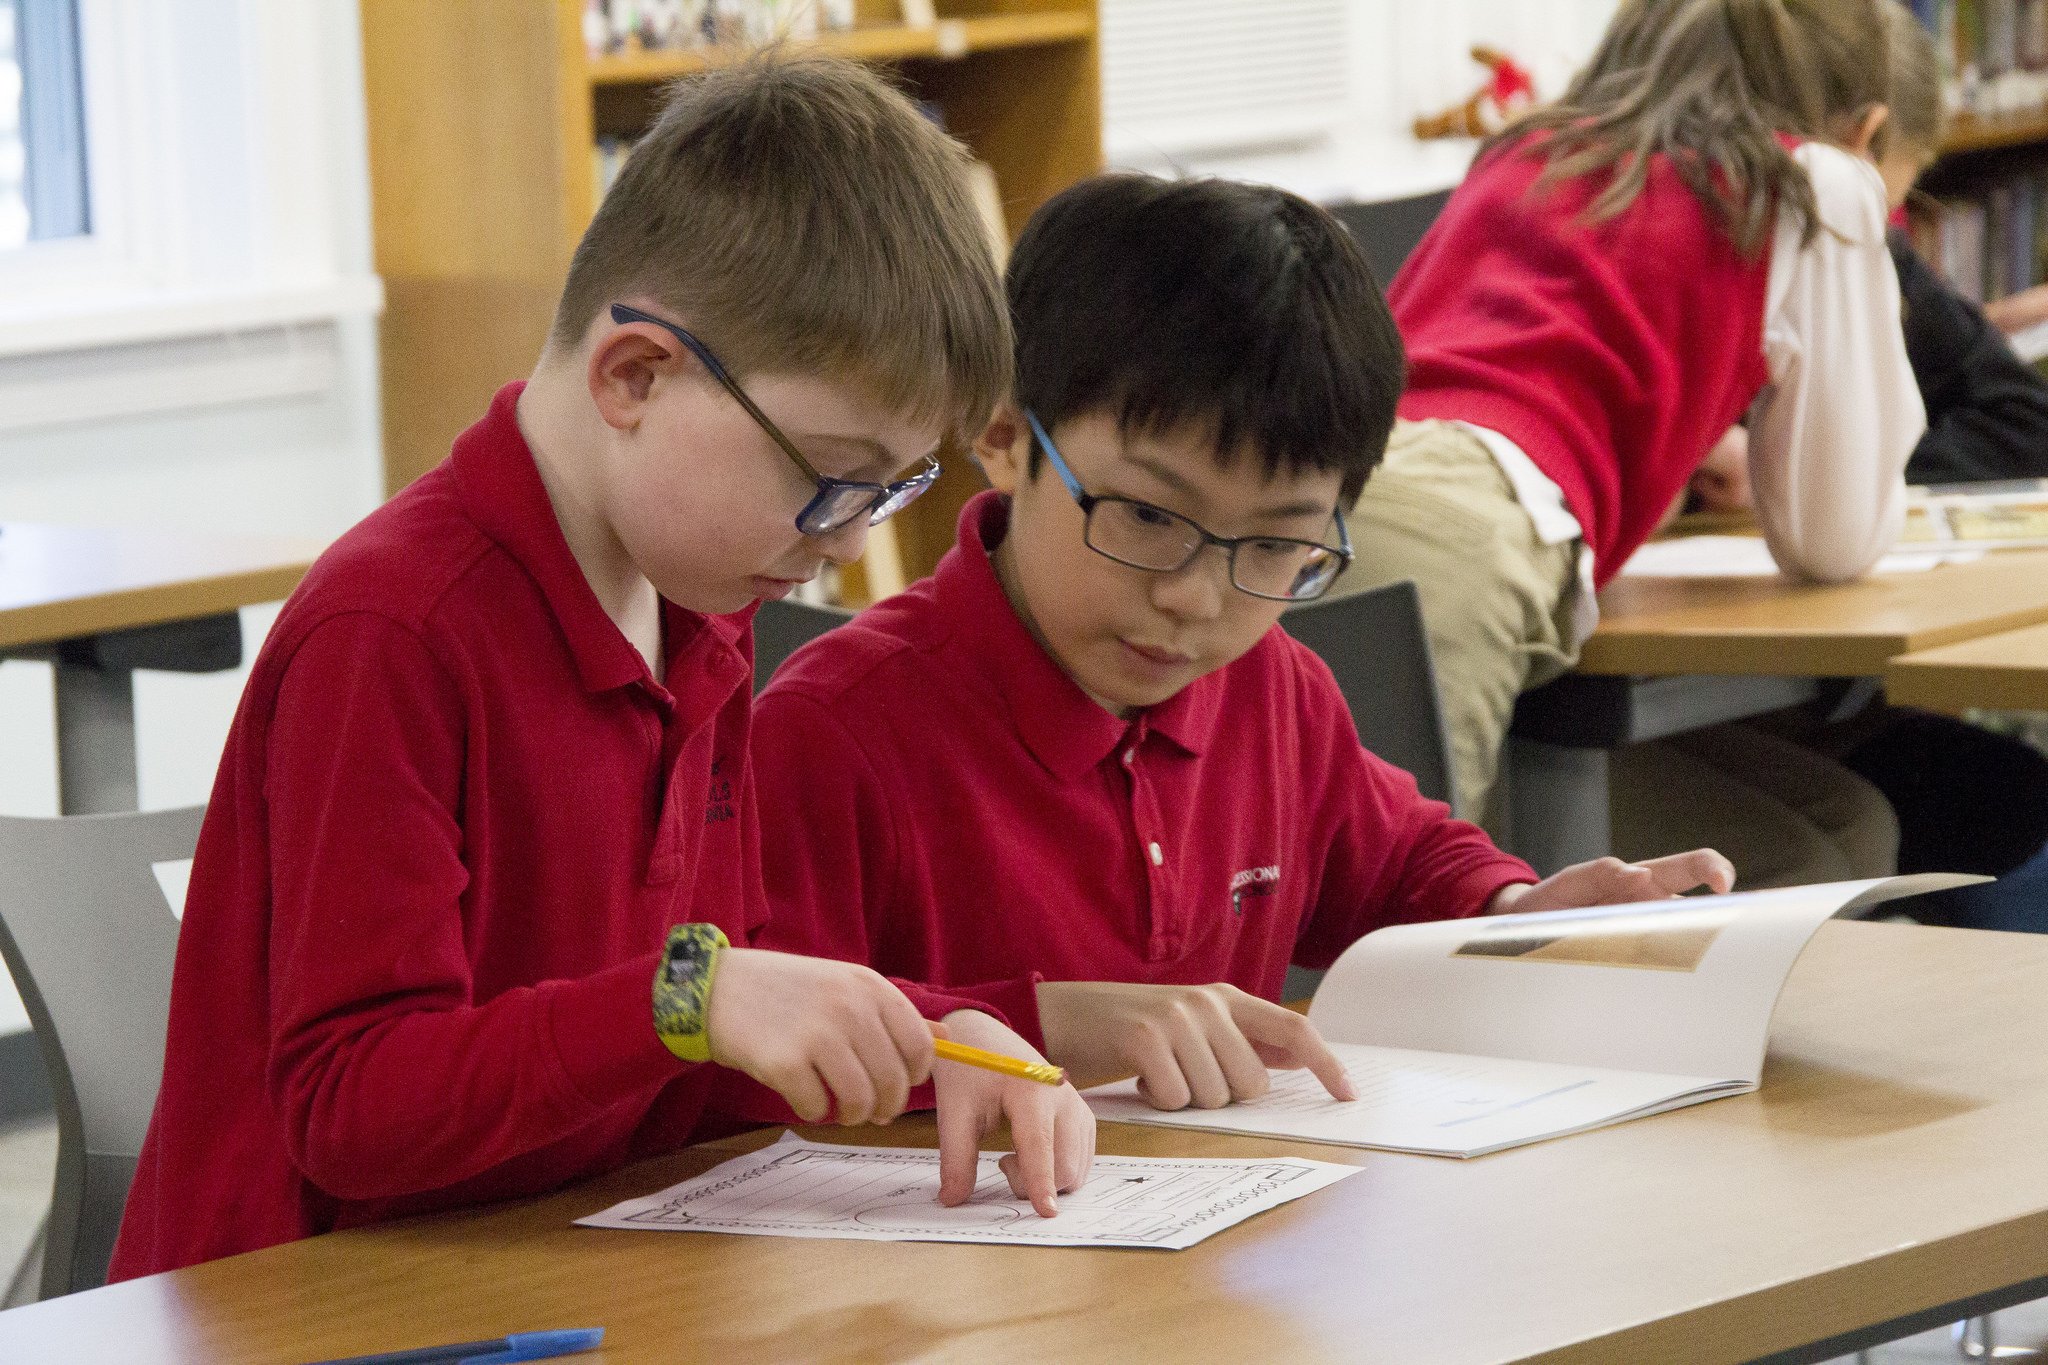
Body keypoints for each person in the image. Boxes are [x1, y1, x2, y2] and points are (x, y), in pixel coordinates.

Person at [110, 54, 1093, 1282]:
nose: (847, 541)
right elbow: (353, 1107)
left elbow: (694, 1033)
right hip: (311, 1304)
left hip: (557, 1260)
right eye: (830, 476)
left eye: (888, 490)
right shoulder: (392, 632)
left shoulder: (700, 605)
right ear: (635, 376)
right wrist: (694, 1000)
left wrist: (934, 1034)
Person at [744, 174, 1733, 1114]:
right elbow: (747, 1069)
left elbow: (1395, 863)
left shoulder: (1270, 689)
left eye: (1272, 545)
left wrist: (1512, 910)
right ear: (1003, 436)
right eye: (1142, 516)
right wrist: (1041, 1026)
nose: (1193, 596)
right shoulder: (833, 733)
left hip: (1216, 1252)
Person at [1322, 0, 1925, 842]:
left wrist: (1682, 447)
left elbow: (1495, 368)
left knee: (1829, 840)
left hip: (1327, 510)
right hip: (1463, 545)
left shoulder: (1528, 148)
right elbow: (1836, 536)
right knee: (1373, 943)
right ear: (1865, 133)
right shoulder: (1822, 179)